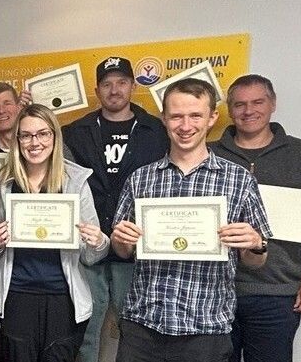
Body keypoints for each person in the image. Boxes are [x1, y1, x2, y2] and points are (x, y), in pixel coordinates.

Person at [110, 78, 271, 362]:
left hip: (205, 330)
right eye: (176, 116)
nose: (185, 126)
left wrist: (256, 243)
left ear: (212, 118)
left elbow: (256, 260)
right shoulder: (141, 179)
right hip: (143, 325)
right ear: (164, 118)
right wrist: (121, 239)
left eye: (195, 115)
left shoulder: (239, 179)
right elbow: (123, 250)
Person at [208, 74, 301, 362]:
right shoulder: (208, 154)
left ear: (273, 104)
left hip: (276, 293)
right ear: (230, 110)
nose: (248, 111)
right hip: (213, 290)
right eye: (240, 104)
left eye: (258, 102)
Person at [60, 56, 169, 362]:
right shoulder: (74, 132)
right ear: (97, 90)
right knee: (87, 329)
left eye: (121, 82)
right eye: (107, 84)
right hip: (89, 246)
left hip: (135, 248)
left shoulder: (157, 131)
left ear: (133, 86)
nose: (115, 90)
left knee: (135, 330)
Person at [0, 103, 109, 361]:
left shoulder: (75, 182)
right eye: (26, 135)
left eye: (43, 133)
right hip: (16, 295)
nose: (34, 142)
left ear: (54, 136)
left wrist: (98, 241)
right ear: (17, 139)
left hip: (62, 297)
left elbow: (92, 256)